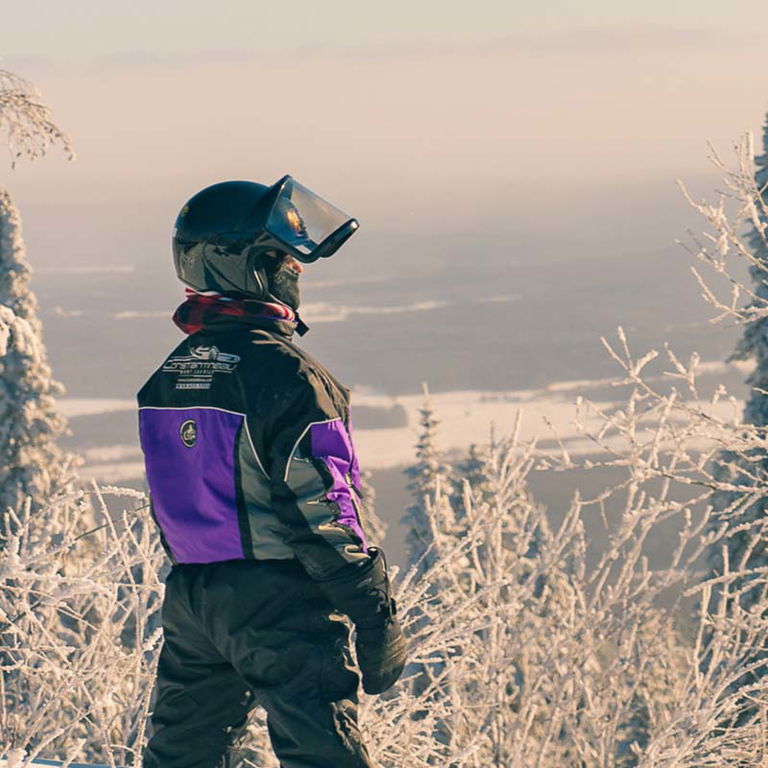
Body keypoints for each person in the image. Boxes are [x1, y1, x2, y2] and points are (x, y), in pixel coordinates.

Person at [138, 176, 407, 768]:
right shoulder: (288, 377)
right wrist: (373, 608)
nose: (297, 270)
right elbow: (324, 505)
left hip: (193, 598)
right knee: (324, 754)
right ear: (248, 267)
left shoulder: (170, 374)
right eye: (283, 257)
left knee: (182, 754)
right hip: (279, 598)